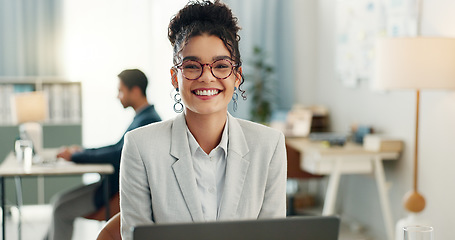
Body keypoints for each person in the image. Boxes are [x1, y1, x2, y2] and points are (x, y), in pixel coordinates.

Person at [119, 1, 287, 239]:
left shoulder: (269, 145)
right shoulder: (140, 146)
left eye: (220, 66)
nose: (207, 77)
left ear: (237, 76)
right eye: (191, 66)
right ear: (175, 77)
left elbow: (273, 236)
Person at [47, 69, 161, 240]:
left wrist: (76, 156)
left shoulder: (147, 121)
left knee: (60, 210)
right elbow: (116, 147)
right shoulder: (142, 117)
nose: (118, 96)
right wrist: (82, 152)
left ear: (135, 91)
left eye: (121, 91)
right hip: (109, 186)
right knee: (58, 201)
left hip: (115, 192)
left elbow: (117, 155)